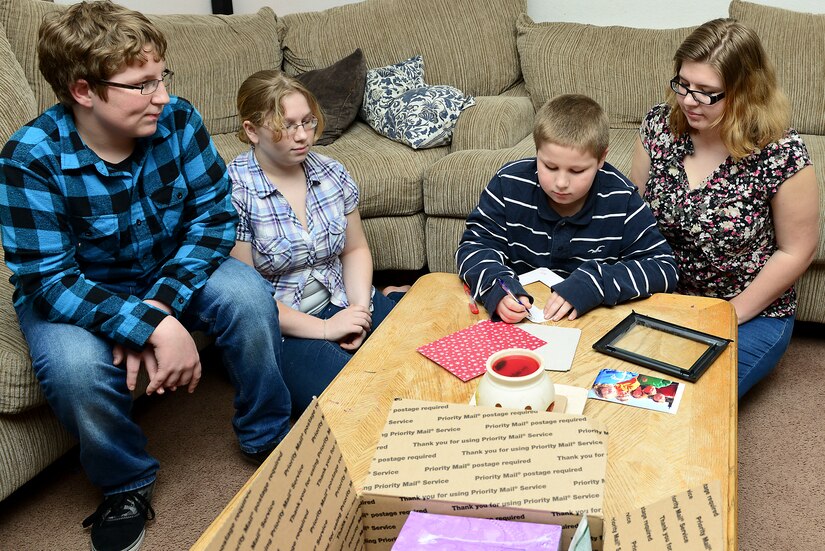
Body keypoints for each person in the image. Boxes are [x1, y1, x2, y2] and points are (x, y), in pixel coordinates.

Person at [0, 2, 293, 550]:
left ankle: (268, 434)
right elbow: (50, 281)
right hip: (79, 295)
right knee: (73, 368)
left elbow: (214, 219)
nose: (162, 95)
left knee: (249, 296)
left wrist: (155, 311)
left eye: (162, 78)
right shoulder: (28, 158)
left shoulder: (178, 120)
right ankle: (124, 483)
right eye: (142, 84)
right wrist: (148, 327)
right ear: (84, 91)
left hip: (167, 270)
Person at [629, 19, 820, 399]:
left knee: (684, 398)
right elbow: (630, 211)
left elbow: (797, 249)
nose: (687, 100)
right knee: (616, 381)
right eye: (683, 84)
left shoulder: (781, 154)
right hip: (665, 297)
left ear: (746, 92)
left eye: (707, 92)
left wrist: (728, 314)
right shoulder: (659, 126)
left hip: (749, 312)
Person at [227, 70, 405, 413]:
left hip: (343, 299)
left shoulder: (332, 172)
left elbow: (354, 249)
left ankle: (386, 300)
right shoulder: (234, 191)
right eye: (287, 125)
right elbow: (249, 301)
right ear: (252, 131)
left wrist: (359, 311)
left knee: (416, 356)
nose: (302, 136)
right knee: (361, 401)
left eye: (308, 122)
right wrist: (326, 329)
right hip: (284, 327)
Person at [456, 94, 678, 324]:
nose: (561, 182)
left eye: (577, 171)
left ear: (601, 159)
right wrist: (497, 287)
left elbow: (663, 268)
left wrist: (595, 283)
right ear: (537, 151)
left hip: (590, 323)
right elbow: (474, 246)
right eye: (550, 166)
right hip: (520, 322)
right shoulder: (508, 183)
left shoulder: (622, 199)